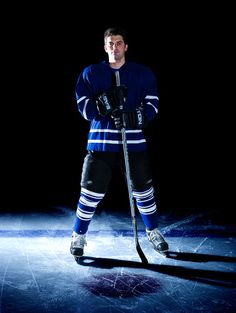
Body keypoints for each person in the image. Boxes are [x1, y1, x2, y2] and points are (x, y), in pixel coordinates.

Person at [70, 26, 169, 258]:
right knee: (90, 192)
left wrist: (134, 116)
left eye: (118, 43)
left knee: (144, 191)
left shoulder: (143, 73)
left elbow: (153, 105)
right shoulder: (90, 73)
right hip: (101, 142)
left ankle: (153, 231)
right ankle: (78, 235)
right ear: (105, 47)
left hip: (133, 143)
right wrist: (101, 105)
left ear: (126, 46)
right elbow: (83, 107)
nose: (114, 47)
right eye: (110, 43)